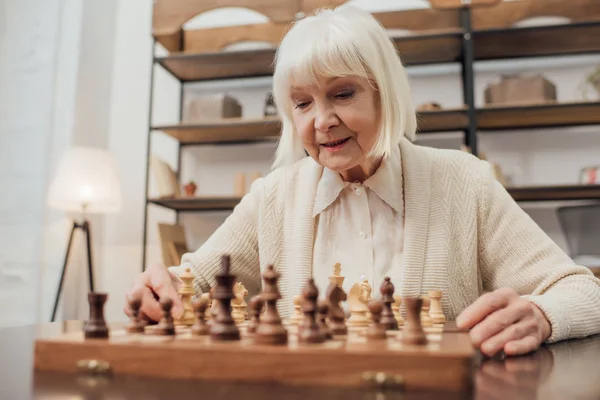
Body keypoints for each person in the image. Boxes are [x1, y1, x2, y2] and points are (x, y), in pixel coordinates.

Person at [125, 5, 600, 356]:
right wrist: (159, 287)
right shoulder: (272, 198)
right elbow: (195, 281)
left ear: (383, 93)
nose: (322, 121)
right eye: (303, 103)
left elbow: (583, 291)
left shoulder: (466, 183)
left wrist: (541, 314)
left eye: (342, 93)